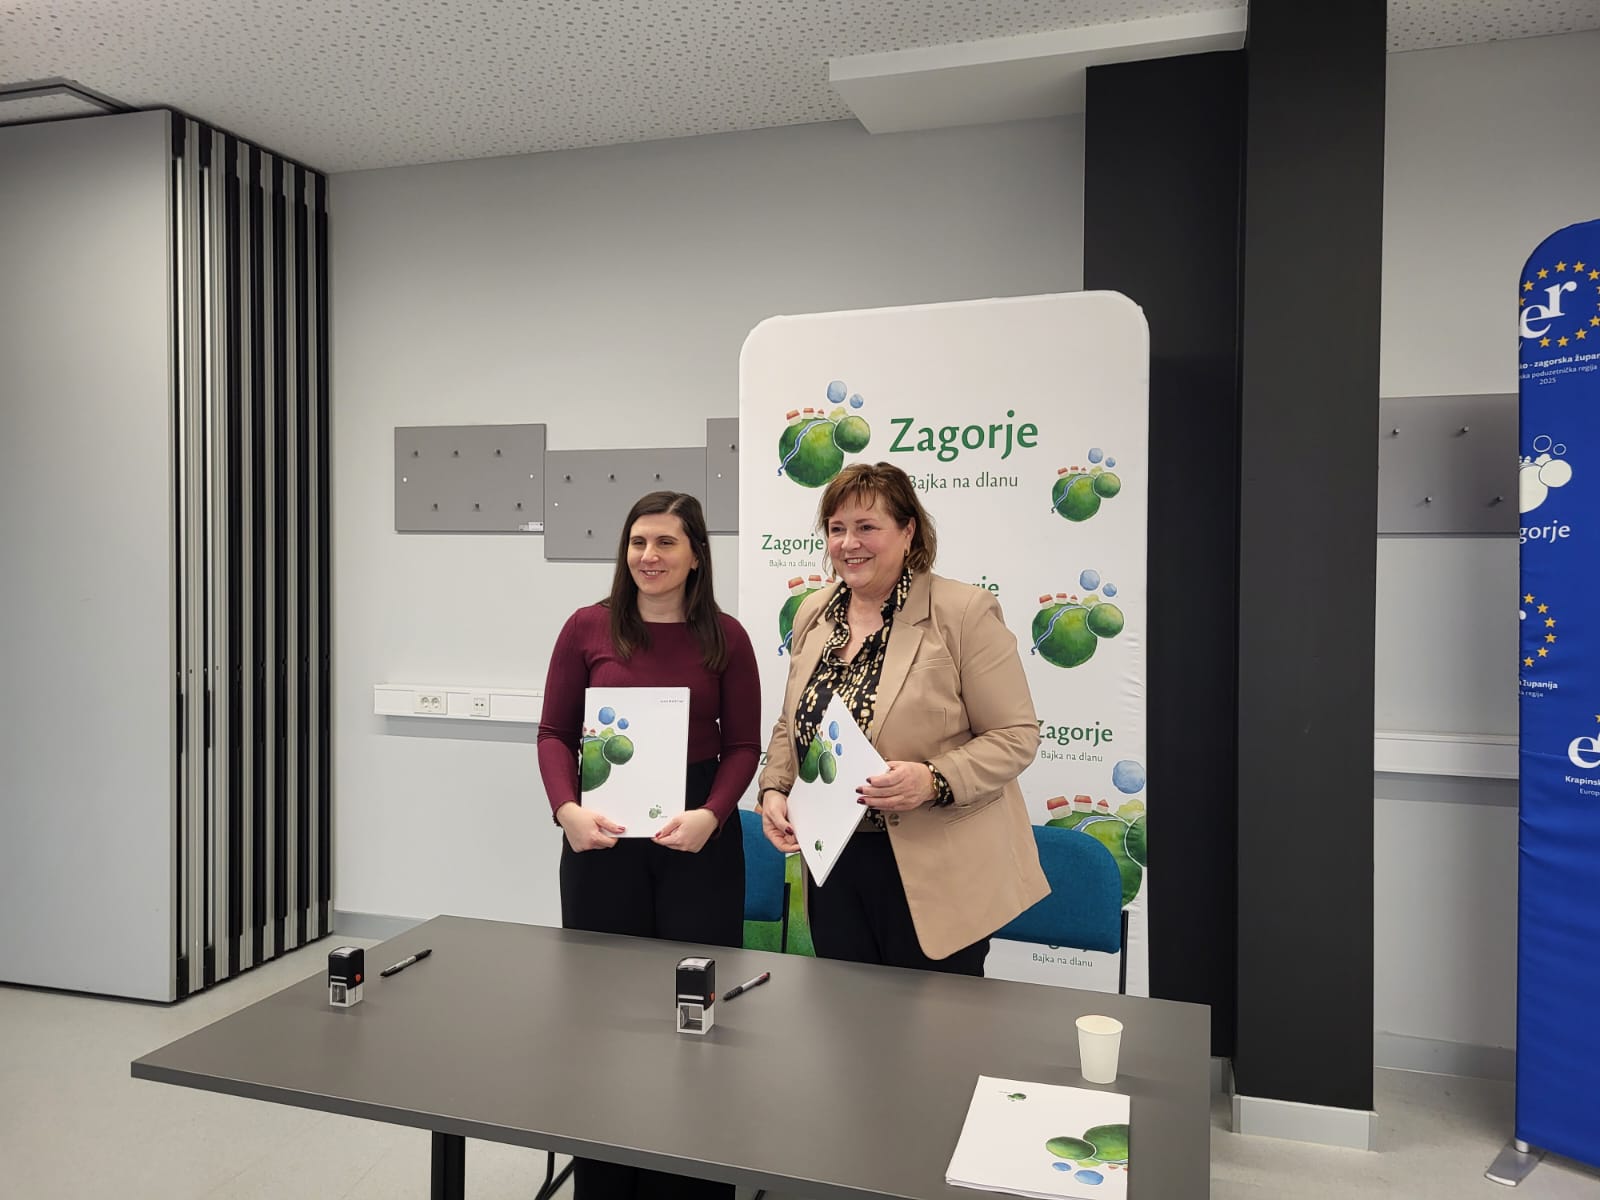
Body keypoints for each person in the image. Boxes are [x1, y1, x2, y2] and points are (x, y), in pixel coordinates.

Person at [538, 490, 758, 1200]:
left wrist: (713, 815)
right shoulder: (587, 627)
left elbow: (744, 745)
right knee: (605, 1015)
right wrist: (567, 811)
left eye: (666, 542)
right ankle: (606, 1179)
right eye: (638, 542)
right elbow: (555, 735)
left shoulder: (727, 637)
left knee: (693, 1013)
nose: (649, 556)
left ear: (696, 555)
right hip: (602, 838)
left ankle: (689, 1177)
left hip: (697, 839)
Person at [758, 462, 1046, 975]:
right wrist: (775, 788)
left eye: (867, 527)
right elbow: (791, 719)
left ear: (908, 531)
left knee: (937, 1022)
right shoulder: (813, 614)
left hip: (936, 868)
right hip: (834, 860)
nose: (849, 543)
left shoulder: (964, 612)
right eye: (837, 528)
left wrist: (934, 778)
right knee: (847, 1014)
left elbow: (1016, 735)